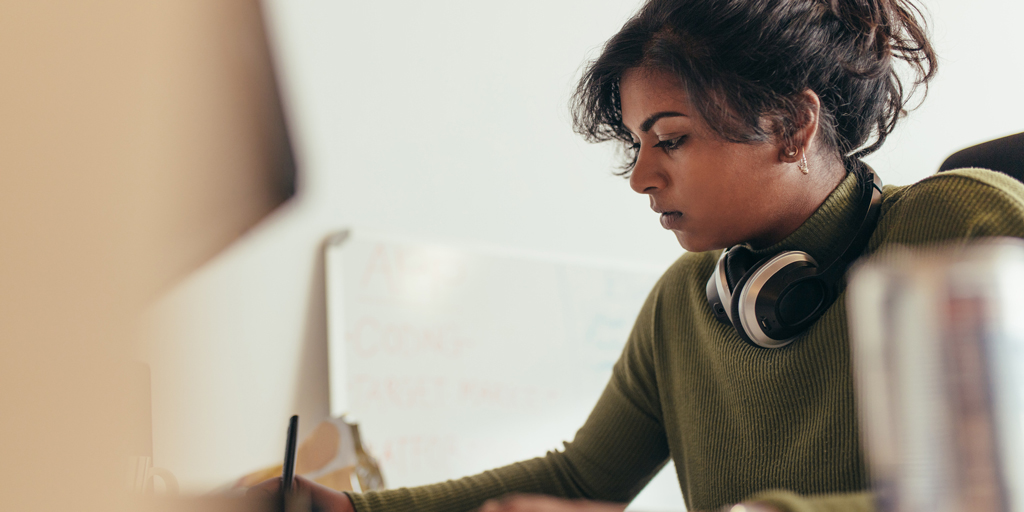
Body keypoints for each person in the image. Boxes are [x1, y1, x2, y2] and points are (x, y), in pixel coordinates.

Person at [251, 0, 1024, 510]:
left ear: (791, 124)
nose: (644, 178)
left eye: (673, 139)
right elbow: (582, 479)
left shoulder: (962, 224)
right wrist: (351, 507)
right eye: (638, 146)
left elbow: (989, 490)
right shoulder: (689, 299)